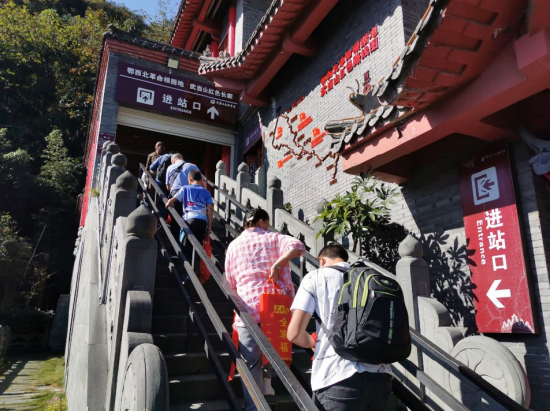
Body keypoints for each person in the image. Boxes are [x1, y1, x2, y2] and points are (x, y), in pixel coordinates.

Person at [287, 244, 393, 411]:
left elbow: (294, 334)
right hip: (381, 376)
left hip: (338, 377)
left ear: (321, 260)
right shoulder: (369, 278)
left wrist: (313, 342)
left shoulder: (315, 277)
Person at [224, 208, 305, 411]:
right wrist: (277, 265)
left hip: (247, 310)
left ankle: (253, 407)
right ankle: (268, 378)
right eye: (267, 223)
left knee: (250, 363)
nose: (268, 227)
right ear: (261, 222)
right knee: (276, 351)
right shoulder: (274, 238)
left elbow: (230, 282)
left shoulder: (233, 246)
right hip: (274, 309)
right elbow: (297, 245)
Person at [165, 169, 214, 253]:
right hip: (202, 221)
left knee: (185, 247)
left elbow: (171, 200)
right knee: (198, 249)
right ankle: (196, 261)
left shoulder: (185, 188)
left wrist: (168, 203)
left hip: (189, 219)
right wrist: (209, 227)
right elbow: (211, 208)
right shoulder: (206, 192)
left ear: (190, 179)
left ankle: (185, 260)